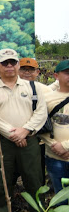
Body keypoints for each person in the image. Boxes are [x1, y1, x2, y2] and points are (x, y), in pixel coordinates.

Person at [0, 49, 47, 212]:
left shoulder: (33, 87)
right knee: (2, 181)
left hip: (30, 141)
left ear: (18, 65)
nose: (9, 66)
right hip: (3, 142)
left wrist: (25, 131)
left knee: (34, 181)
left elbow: (41, 113)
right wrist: (12, 133)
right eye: (5, 63)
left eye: (12, 62)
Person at [38, 60, 69, 196]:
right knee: (60, 197)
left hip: (62, 150)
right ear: (56, 76)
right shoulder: (46, 99)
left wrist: (66, 146)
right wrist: (53, 145)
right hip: (55, 156)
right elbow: (39, 125)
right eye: (67, 73)